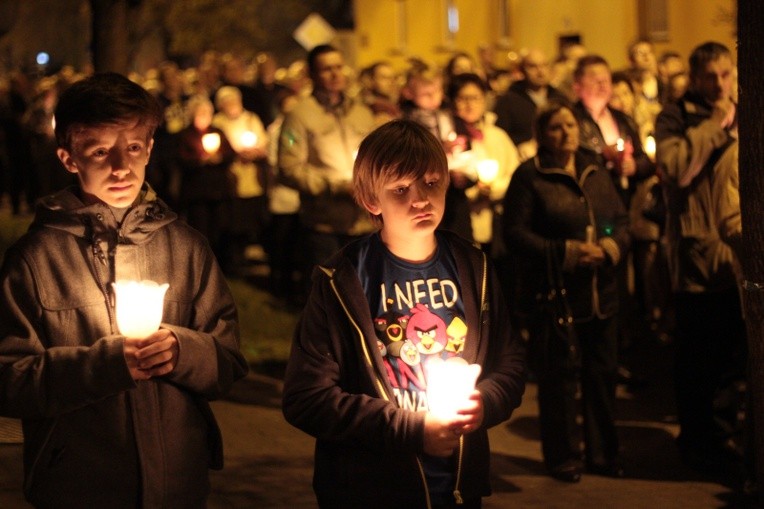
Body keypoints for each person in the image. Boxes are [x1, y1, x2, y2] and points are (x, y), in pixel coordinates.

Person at [0, 72, 249, 508]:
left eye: (133, 147)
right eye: (99, 151)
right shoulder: (36, 259)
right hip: (80, 484)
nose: (121, 167)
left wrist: (183, 350)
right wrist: (106, 364)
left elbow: (228, 359)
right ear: (68, 158)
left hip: (177, 483)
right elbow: (9, 379)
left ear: (150, 148)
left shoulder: (186, 247)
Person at [282, 119, 526, 508]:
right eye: (400, 189)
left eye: (431, 183)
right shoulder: (342, 280)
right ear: (370, 200)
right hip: (371, 487)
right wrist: (410, 430)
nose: (420, 200)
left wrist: (485, 402)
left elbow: (510, 362)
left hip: (459, 485)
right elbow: (307, 398)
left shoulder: (473, 267)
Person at [503, 103, 630, 483]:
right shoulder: (530, 176)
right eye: (556, 127)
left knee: (602, 373)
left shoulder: (595, 169)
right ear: (542, 135)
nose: (566, 132)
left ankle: (604, 454)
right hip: (555, 293)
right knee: (559, 377)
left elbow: (618, 220)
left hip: (599, 291)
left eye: (570, 124)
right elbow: (514, 234)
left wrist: (610, 248)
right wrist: (567, 252)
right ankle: (562, 456)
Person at [654, 41, 747, 474]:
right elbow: (676, 169)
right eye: (711, 76)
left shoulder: (742, 109)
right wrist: (712, 125)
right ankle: (697, 442)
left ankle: (723, 433)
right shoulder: (676, 116)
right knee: (698, 357)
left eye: (727, 74)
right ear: (695, 78)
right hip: (695, 255)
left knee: (731, 354)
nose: (721, 84)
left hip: (735, 252)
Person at [277, 44, 377, 294]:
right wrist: (332, 185)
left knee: (366, 293)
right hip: (324, 224)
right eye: (326, 69)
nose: (334, 74)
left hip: (364, 222)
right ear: (312, 75)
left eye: (338, 67)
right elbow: (288, 167)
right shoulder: (298, 117)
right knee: (329, 297)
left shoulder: (363, 114)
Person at [445, 72, 519, 264]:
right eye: (463, 98)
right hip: (462, 221)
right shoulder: (450, 140)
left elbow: (514, 173)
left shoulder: (497, 135)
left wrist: (493, 189)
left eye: (475, 98)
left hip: (499, 221)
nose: (470, 104)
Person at [176, 94, 237, 274]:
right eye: (199, 112)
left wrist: (219, 158)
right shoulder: (186, 135)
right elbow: (180, 160)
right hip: (198, 193)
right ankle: (201, 266)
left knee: (220, 228)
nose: (203, 116)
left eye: (206, 113)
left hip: (219, 191)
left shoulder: (217, 132)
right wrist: (201, 161)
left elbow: (230, 154)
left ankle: (221, 265)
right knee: (200, 230)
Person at [493, 48, 569, 161]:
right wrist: (521, 145)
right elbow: (499, 136)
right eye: (533, 67)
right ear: (522, 70)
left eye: (544, 65)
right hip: (523, 160)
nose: (540, 71)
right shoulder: (508, 100)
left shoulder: (560, 98)